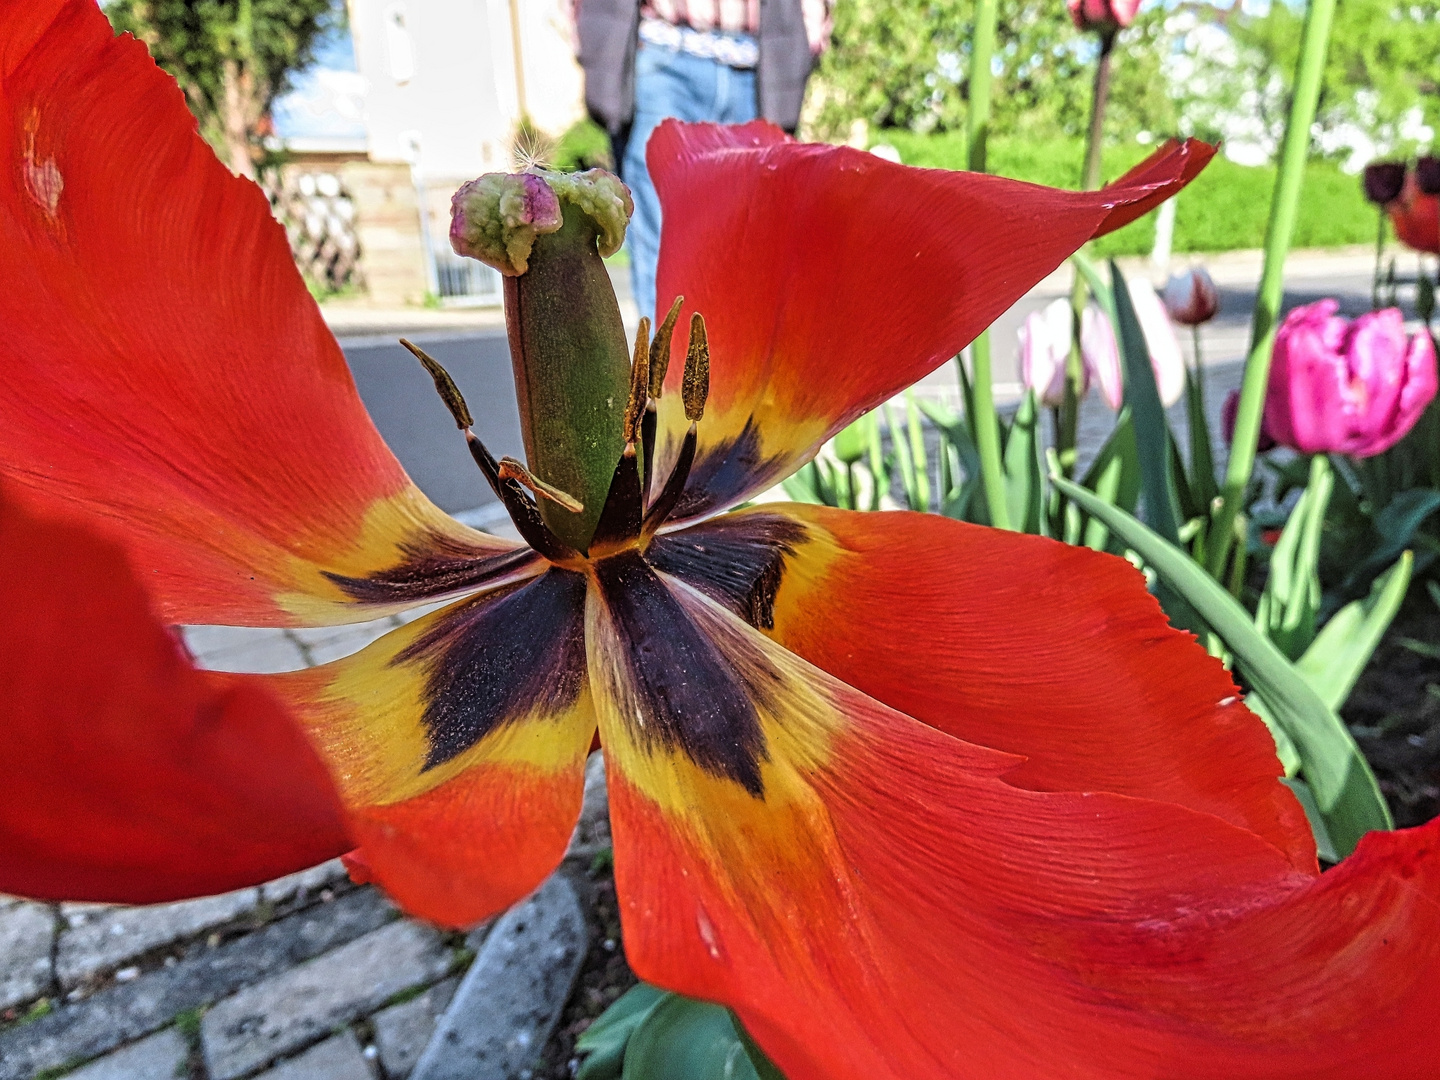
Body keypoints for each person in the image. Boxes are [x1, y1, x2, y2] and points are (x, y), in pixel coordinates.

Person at [576, 0, 832, 321]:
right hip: (663, 52)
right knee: (663, 248)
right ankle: (666, 370)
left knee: (749, 254)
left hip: (756, 64)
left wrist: (807, 36)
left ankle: (731, 370)